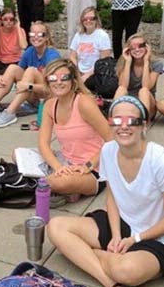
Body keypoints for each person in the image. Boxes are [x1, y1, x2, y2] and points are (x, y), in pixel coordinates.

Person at [47, 95, 164, 287]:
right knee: (56, 226)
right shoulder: (109, 151)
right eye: (117, 121)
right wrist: (117, 236)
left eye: (131, 121)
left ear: (144, 126)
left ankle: (83, 253)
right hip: (123, 224)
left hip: (157, 237)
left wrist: (134, 240)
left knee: (126, 270)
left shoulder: (161, 161)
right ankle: (113, 285)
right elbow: (111, 196)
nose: (123, 127)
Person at [37, 59, 112, 197]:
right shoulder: (49, 105)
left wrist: (88, 165)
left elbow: (112, 139)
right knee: (17, 154)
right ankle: (64, 188)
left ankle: (49, 186)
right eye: (53, 78)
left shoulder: (83, 103)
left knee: (55, 183)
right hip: (65, 162)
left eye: (64, 78)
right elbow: (43, 143)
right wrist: (59, 168)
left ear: (73, 80)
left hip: (92, 169)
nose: (58, 82)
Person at [0, 21, 61, 128]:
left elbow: (53, 89)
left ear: (47, 37)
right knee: (13, 68)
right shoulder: (30, 51)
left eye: (40, 34)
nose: (36, 37)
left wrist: (29, 86)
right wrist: (1, 78)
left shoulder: (52, 56)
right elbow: (17, 72)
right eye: (32, 34)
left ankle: (10, 112)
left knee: (31, 71)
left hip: (47, 98)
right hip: (33, 96)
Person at [114, 33, 162, 120]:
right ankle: (114, 120)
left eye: (141, 46)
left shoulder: (156, 64)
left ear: (147, 47)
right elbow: (123, 85)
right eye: (133, 47)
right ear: (128, 49)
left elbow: (147, 86)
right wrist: (128, 62)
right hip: (129, 103)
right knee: (121, 89)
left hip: (148, 104)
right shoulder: (124, 63)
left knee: (143, 91)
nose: (137, 49)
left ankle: (143, 122)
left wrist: (146, 61)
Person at [69, 6, 112, 89]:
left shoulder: (102, 36)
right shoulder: (78, 35)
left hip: (95, 72)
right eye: (85, 19)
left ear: (96, 20)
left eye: (91, 18)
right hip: (79, 70)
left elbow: (103, 62)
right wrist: (77, 72)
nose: (88, 21)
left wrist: (87, 75)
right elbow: (72, 56)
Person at [0, 8, 27, 85]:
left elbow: (24, 46)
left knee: (4, 72)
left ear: (15, 20)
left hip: (15, 61)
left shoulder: (20, 30)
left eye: (11, 19)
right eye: (5, 19)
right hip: (0, 60)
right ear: (1, 20)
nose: (8, 22)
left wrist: (18, 26)